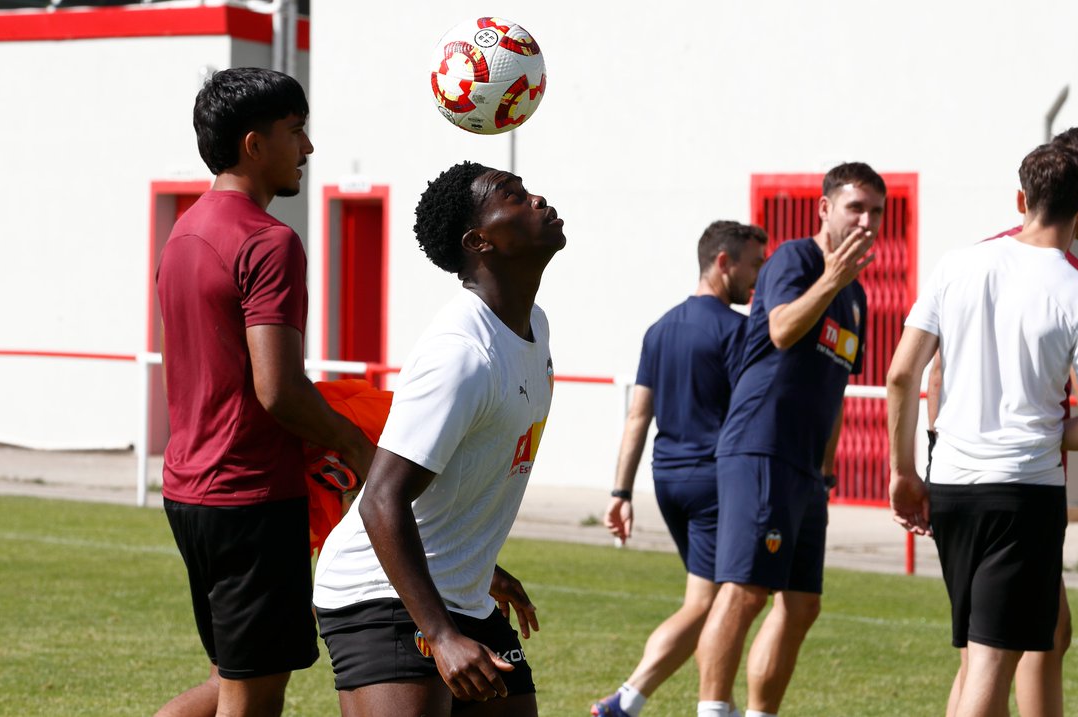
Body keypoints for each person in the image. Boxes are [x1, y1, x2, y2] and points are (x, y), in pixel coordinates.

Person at [155, 68, 374, 717]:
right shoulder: (268, 241)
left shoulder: (184, 232)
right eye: (295, 131)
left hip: (188, 491)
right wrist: (354, 442)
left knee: (236, 679)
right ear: (255, 144)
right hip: (249, 496)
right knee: (255, 695)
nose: (306, 148)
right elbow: (277, 389)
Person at [312, 161, 565, 716]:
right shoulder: (461, 354)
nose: (538, 201)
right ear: (480, 241)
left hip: (457, 592)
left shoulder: (534, 326)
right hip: (379, 594)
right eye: (514, 197)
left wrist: (477, 562)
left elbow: (463, 469)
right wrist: (441, 634)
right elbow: (382, 498)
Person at [888, 143, 1078, 717]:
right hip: (1022, 494)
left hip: (948, 488)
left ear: (1022, 199)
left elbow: (902, 374)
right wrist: (1053, 431)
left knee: (979, 658)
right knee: (993, 664)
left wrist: (904, 472)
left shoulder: (955, 265)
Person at [694, 163, 884, 717]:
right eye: (856, 207)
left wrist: (826, 469)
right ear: (824, 208)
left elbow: (837, 383)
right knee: (747, 590)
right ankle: (712, 710)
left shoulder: (859, 297)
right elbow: (781, 330)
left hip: (805, 466)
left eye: (876, 211)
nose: (867, 221)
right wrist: (831, 279)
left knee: (802, 606)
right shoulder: (797, 260)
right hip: (760, 445)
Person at [591, 221, 767, 717]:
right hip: (716, 483)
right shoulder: (738, 330)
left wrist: (620, 492)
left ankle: (717, 703)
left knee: (710, 600)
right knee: (708, 606)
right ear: (723, 262)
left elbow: (637, 416)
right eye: (754, 264)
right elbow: (748, 415)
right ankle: (627, 699)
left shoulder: (659, 328)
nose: (759, 278)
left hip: (668, 480)